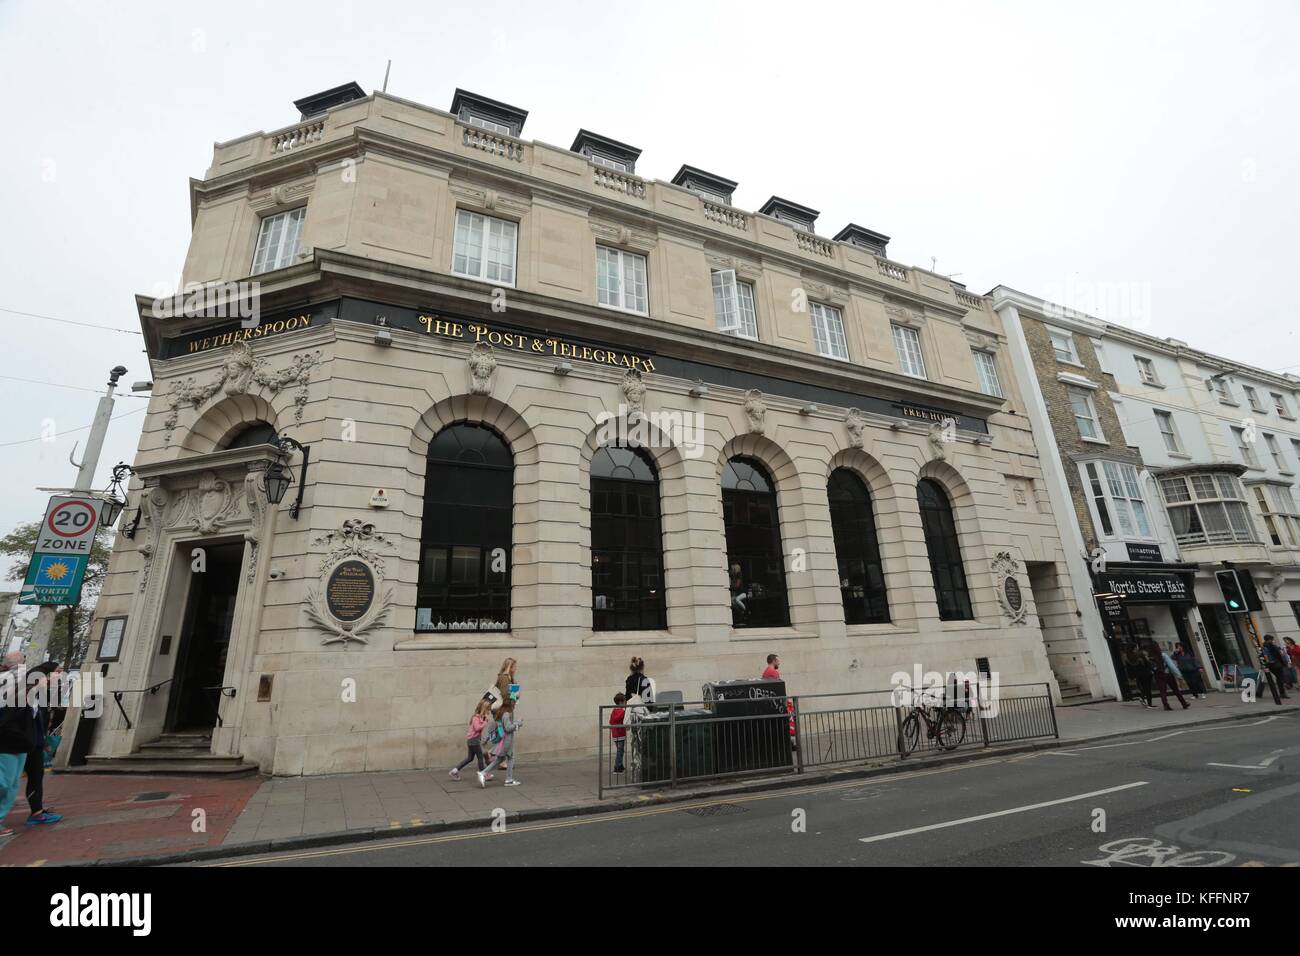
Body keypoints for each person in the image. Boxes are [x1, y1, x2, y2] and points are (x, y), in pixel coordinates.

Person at [0, 665, 49, 838]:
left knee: (12, 786)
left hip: (22, 749)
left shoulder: (34, 701)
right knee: (4, 784)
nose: (49, 681)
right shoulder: (18, 700)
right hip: (8, 747)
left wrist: (36, 742)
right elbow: (6, 724)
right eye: (45, 678)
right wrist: (26, 740)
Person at [23, 662, 62, 826]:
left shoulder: (39, 699)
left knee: (36, 774)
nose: (60, 675)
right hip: (26, 743)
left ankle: (37, 811)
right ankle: (36, 812)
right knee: (18, 778)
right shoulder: (27, 700)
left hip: (33, 742)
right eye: (58, 672)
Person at [478, 699, 522, 788]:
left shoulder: (504, 714)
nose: (514, 706)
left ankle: (508, 779)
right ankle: (484, 773)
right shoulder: (506, 714)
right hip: (507, 741)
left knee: (504, 759)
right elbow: (508, 728)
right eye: (513, 704)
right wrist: (518, 723)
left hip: (506, 740)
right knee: (507, 758)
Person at [449, 699, 492, 781]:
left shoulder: (480, 718)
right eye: (488, 709)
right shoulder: (476, 717)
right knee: (480, 757)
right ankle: (483, 775)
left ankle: (455, 771)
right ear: (484, 708)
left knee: (470, 758)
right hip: (473, 740)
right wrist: (485, 721)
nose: (489, 711)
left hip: (472, 740)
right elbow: (477, 728)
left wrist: (483, 720)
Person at [1148, 644, 1189, 711]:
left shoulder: (1150, 657)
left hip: (1158, 675)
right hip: (1167, 674)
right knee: (1176, 690)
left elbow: (1151, 669)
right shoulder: (1163, 655)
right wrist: (1179, 675)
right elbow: (1171, 665)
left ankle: (1166, 705)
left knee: (1162, 691)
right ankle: (1184, 703)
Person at [1259, 635, 1290, 701]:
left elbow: (1280, 653)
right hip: (1274, 664)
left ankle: (1282, 692)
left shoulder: (1270, 646)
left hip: (1274, 664)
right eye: (1272, 639)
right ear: (1268, 640)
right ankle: (1283, 691)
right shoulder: (1267, 647)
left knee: (1279, 678)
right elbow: (1266, 655)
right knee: (1280, 677)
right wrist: (1268, 662)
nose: (1273, 641)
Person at [1123, 643, 1152, 707]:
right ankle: (1149, 703)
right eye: (1136, 647)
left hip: (1137, 675)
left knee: (1143, 687)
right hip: (1145, 673)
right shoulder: (1140, 654)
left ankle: (1143, 699)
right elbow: (1147, 663)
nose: (1137, 648)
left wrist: (1131, 676)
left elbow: (1128, 668)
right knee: (1147, 688)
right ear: (1134, 648)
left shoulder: (1127, 657)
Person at [610, 694, 627, 774]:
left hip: (615, 734)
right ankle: (617, 767)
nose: (625, 703)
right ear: (620, 702)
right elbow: (621, 719)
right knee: (620, 751)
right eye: (624, 702)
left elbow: (611, 721)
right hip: (620, 734)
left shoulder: (614, 711)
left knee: (620, 750)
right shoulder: (622, 711)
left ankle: (620, 765)